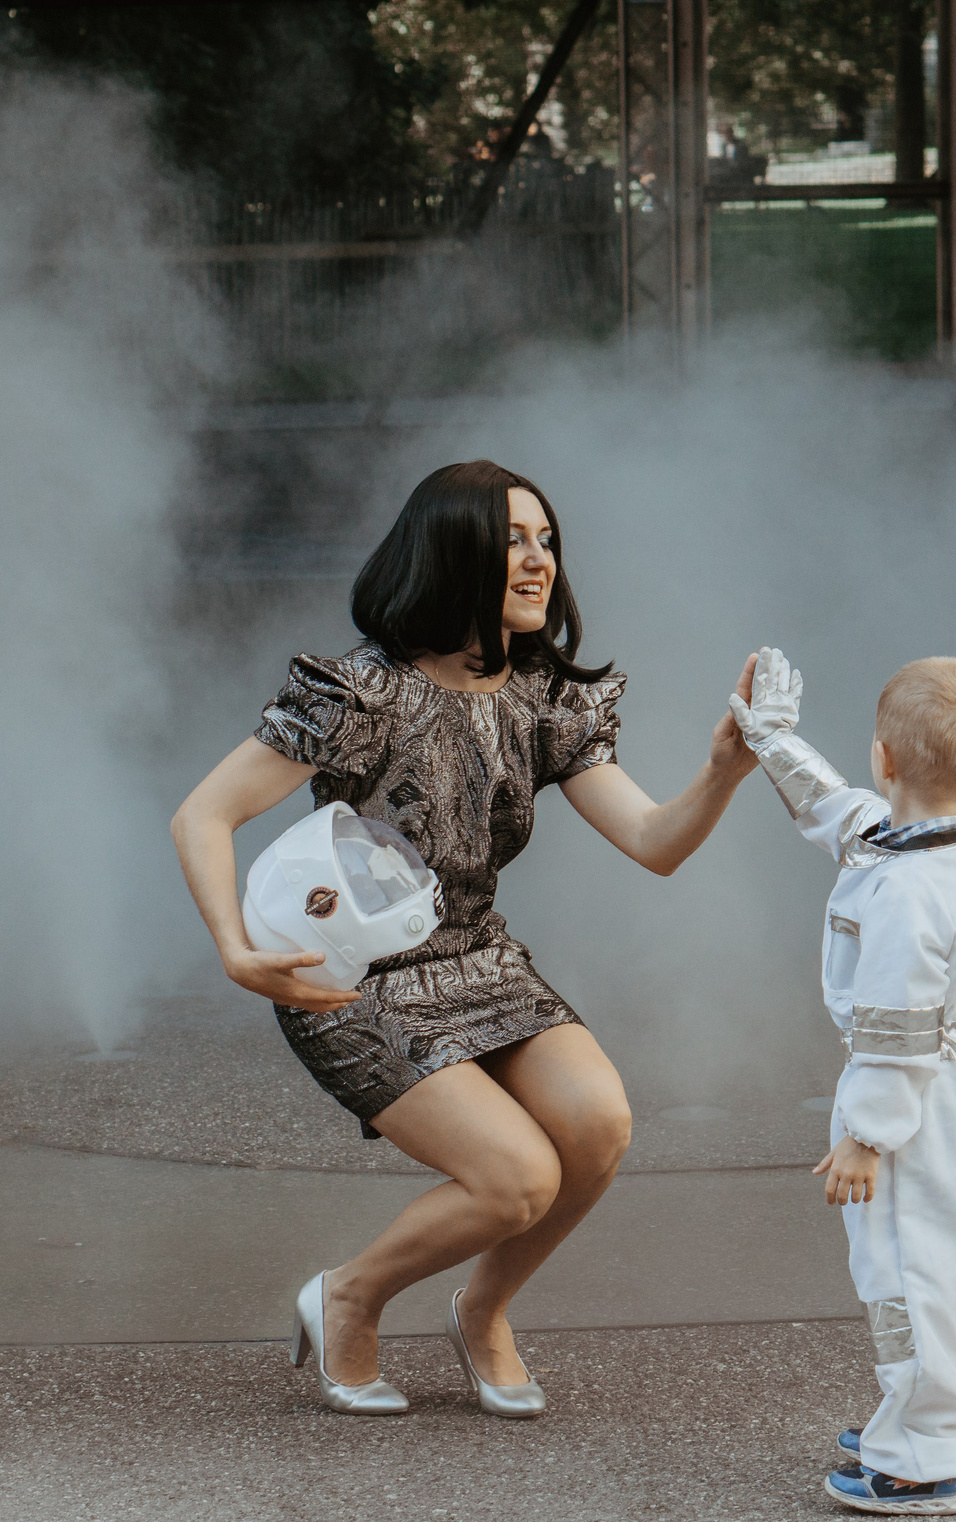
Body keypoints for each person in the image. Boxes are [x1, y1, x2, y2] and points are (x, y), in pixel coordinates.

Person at [170, 460, 760, 1417]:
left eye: (546, 541)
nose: (538, 562)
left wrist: (722, 771)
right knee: (517, 1176)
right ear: (453, 555)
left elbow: (655, 843)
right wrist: (238, 951)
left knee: (599, 1126)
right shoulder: (358, 691)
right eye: (512, 541)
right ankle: (349, 1295)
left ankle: (483, 1308)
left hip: (482, 961)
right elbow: (202, 814)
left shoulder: (543, 695)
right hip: (354, 980)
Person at [725, 646, 956, 1515]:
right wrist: (771, 739)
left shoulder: (907, 896)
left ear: (885, 757)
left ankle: (924, 1456)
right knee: (943, 1259)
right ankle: (924, 1413)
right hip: (955, 1082)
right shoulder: (944, 837)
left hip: (913, 1100)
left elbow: (894, 1034)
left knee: (909, 1266)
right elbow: (842, 815)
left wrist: (864, 1134)